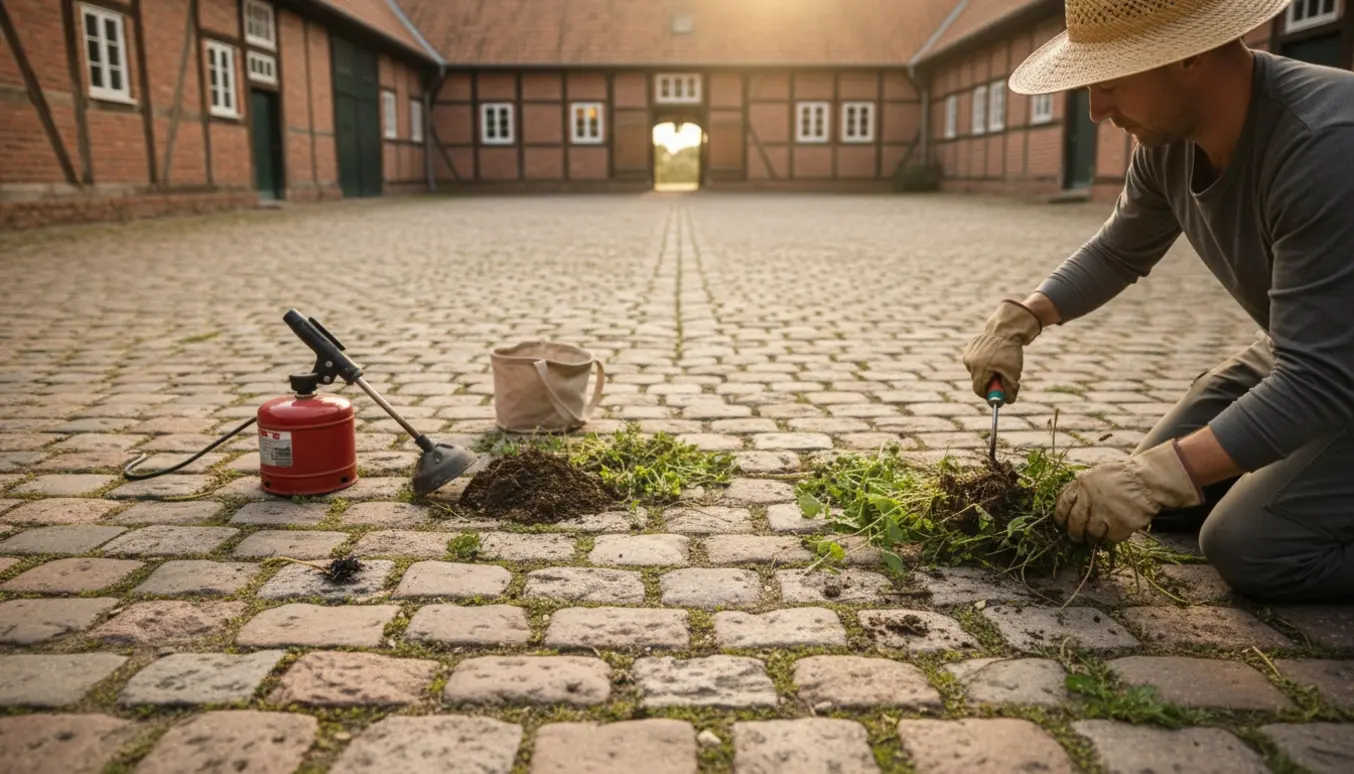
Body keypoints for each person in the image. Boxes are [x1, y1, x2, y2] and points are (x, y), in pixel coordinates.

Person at [962, 0, 1354, 602]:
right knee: (1165, 497)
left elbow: (1322, 379)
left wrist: (1160, 477)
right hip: (1304, 351)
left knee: (1251, 545)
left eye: (1111, 84)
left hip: (1328, 371)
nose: (1095, 112)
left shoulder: (1326, 146)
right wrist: (1024, 317)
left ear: (1188, 55)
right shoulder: (1169, 141)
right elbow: (1119, 251)